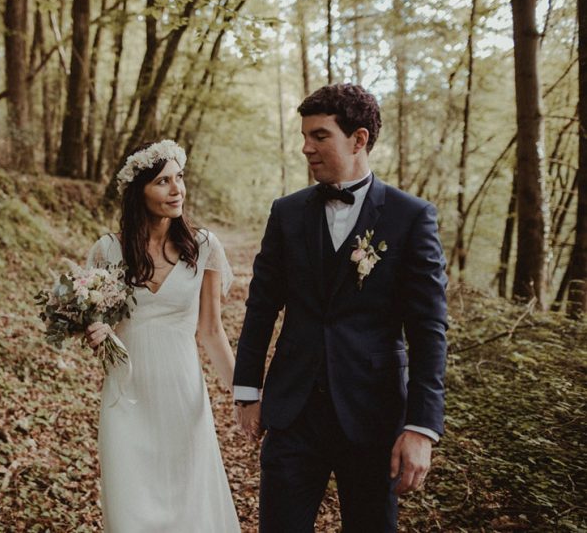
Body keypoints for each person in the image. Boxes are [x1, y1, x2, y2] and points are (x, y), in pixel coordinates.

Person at [233, 83, 448, 532]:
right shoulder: (287, 213)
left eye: (319, 136)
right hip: (293, 411)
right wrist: (248, 390)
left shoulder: (411, 217)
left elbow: (429, 329)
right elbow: (261, 305)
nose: (306, 147)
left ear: (360, 138)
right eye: (305, 137)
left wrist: (422, 428)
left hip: (374, 416)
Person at [84, 140, 240, 532]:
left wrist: (246, 397)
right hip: (126, 398)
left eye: (179, 178)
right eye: (163, 181)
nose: (177, 189)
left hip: (183, 395)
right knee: (130, 509)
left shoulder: (204, 248)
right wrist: (95, 331)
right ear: (139, 191)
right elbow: (98, 326)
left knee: (190, 505)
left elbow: (211, 331)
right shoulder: (108, 251)